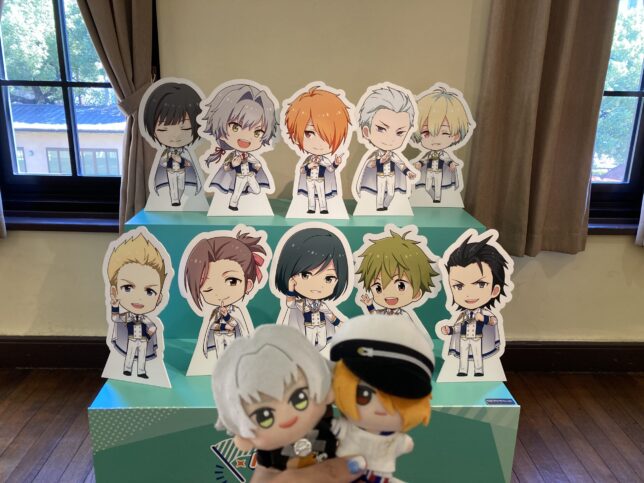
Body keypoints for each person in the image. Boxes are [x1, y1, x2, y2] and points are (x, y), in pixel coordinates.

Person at [212, 325, 338, 472]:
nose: (287, 416)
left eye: (299, 399)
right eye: (264, 416)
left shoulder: (326, 428)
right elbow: (266, 469)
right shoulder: (269, 453)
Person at [330, 315, 435, 482]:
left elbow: (405, 445)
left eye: (398, 401)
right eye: (363, 395)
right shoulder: (345, 429)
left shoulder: (395, 439)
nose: (381, 407)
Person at [183, 231, 267, 359]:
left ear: (248, 285)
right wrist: (220, 325)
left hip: (231, 337)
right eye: (208, 289)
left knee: (233, 356)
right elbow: (211, 328)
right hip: (218, 337)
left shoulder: (236, 311)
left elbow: (235, 325)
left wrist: (226, 316)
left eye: (232, 281)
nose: (219, 293)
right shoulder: (213, 312)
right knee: (219, 357)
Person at [440, 234, 510, 376]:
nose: (468, 294)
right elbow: (458, 327)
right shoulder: (462, 315)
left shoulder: (485, 313)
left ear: (495, 290)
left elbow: (493, 322)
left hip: (478, 338)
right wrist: (450, 330)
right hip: (464, 338)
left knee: (478, 354)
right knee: (463, 355)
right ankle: (462, 370)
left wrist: (483, 318)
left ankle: (478, 371)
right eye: (459, 286)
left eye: (480, 284)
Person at [201, 83, 278, 211]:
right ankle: (233, 205)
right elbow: (226, 167)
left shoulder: (250, 156)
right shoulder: (232, 156)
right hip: (239, 176)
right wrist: (233, 164)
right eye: (236, 127)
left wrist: (255, 170)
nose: (246, 137)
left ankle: (251, 201)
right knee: (236, 191)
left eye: (257, 132)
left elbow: (257, 164)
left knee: (257, 190)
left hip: (250, 176)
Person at [274, 227, 351, 350]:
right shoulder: (302, 303)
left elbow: (330, 316)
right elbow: (291, 304)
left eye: (328, 278)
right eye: (305, 275)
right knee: (308, 344)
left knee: (322, 344)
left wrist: (339, 323)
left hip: (321, 326)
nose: (316, 285)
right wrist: (291, 289)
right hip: (308, 326)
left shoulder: (322, 305)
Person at [356, 228, 438, 337]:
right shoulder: (382, 313)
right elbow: (374, 316)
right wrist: (370, 305)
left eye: (401, 285)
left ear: (417, 294)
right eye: (378, 287)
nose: (389, 293)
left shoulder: (404, 316)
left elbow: (411, 332)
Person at [106, 233, 167, 378]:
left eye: (149, 291)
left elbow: (153, 327)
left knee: (142, 356)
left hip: (143, 340)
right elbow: (115, 318)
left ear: (159, 298)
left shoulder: (145, 319)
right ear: (115, 291)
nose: (139, 297)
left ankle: (141, 371)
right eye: (127, 288)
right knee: (130, 353)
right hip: (131, 339)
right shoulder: (127, 316)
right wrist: (115, 306)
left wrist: (149, 334)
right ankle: (127, 369)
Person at [284, 86, 351, 214]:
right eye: (309, 133)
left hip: (320, 180)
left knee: (321, 193)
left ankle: (324, 208)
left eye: (326, 137)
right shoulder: (309, 159)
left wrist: (336, 163)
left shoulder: (324, 159)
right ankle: (311, 208)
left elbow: (330, 169)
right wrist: (309, 166)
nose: (317, 143)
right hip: (309, 180)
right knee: (310, 194)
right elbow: (302, 170)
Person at [355, 86, 417, 211]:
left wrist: (408, 172)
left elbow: (400, 164)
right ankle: (379, 207)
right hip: (380, 175)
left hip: (392, 175)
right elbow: (369, 164)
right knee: (380, 191)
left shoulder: (393, 155)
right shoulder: (375, 154)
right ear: (366, 131)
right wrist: (380, 161)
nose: (390, 138)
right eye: (381, 129)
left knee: (391, 193)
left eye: (399, 133)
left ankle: (386, 205)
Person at [143, 82, 203, 206]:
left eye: (186, 128)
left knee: (182, 186)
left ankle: (179, 198)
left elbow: (192, 167)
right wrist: (168, 160)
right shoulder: (164, 153)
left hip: (183, 173)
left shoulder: (187, 152)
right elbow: (162, 164)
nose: (175, 137)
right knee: (170, 186)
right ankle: (174, 200)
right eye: (163, 130)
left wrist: (183, 161)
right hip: (169, 172)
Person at [412, 86, 472, 203]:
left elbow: (447, 160)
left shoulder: (443, 154)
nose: (435, 139)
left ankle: (437, 200)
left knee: (438, 187)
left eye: (445, 133)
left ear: (456, 135)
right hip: (429, 172)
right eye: (427, 132)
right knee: (428, 187)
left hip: (439, 173)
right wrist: (419, 163)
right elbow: (425, 160)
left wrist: (452, 164)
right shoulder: (429, 154)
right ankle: (433, 198)